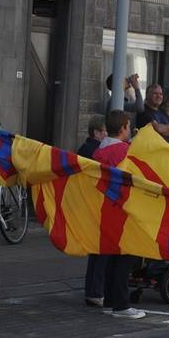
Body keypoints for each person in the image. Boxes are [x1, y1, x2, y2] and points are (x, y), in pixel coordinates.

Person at [93, 109, 146, 319]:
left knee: (112, 257)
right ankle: (121, 304)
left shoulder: (100, 150)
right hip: (123, 209)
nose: (129, 129)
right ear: (123, 127)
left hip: (106, 208)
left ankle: (109, 301)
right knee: (125, 256)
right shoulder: (124, 151)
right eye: (128, 125)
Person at [78, 115, 108, 307]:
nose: (106, 135)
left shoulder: (84, 148)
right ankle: (96, 291)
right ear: (96, 132)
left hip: (87, 203)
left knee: (95, 251)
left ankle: (92, 291)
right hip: (97, 204)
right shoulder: (96, 151)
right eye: (104, 131)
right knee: (102, 250)